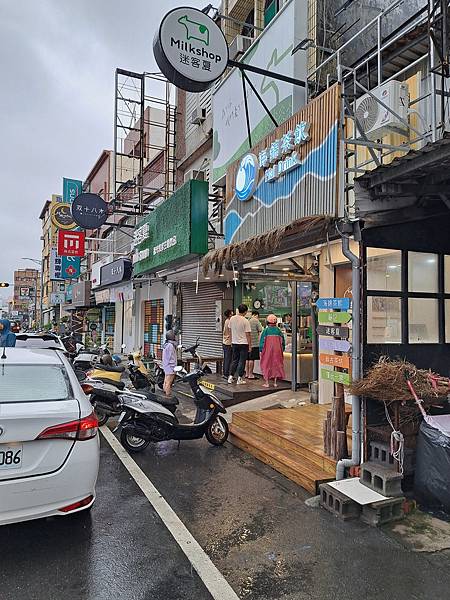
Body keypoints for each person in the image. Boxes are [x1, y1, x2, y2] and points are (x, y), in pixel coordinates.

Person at [259, 314, 285, 388]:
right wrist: (282, 349)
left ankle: (267, 382)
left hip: (267, 351)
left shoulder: (266, 330)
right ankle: (275, 382)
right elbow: (282, 341)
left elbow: (262, 342)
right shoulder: (278, 330)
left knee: (266, 364)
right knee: (276, 365)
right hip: (277, 351)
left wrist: (261, 350)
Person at [228, 304, 251, 385]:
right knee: (242, 361)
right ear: (245, 311)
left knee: (234, 360)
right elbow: (248, 334)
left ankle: (230, 377)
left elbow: (230, 331)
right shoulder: (245, 321)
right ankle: (239, 378)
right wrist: (250, 346)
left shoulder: (232, 319)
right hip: (243, 344)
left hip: (234, 343)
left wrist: (231, 341)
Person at [246, 310, 263, 379]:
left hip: (247, 342)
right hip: (254, 343)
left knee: (247, 359)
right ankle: (250, 374)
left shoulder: (248, 320)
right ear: (256, 315)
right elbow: (260, 329)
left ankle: (247, 373)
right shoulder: (256, 320)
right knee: (252, 359)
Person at [162, 330, 177, 396]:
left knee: (166, 380)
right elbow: (171, 357)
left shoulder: (166, 344)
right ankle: (168, 395)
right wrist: (173, 367)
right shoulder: (170, 345)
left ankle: (165, 392)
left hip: (166, 365)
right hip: (170, 366)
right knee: (169, 382)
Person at [222, 309, 233, 379]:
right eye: (232, 313)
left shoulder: (226, 321)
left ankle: (225, 373)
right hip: (229, 342)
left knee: (226, 358)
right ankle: (226, 374)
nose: (233, 313)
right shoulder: (229, 322)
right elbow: (231, 332)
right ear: (229, 314)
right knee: (228, 359)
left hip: (225, 342)